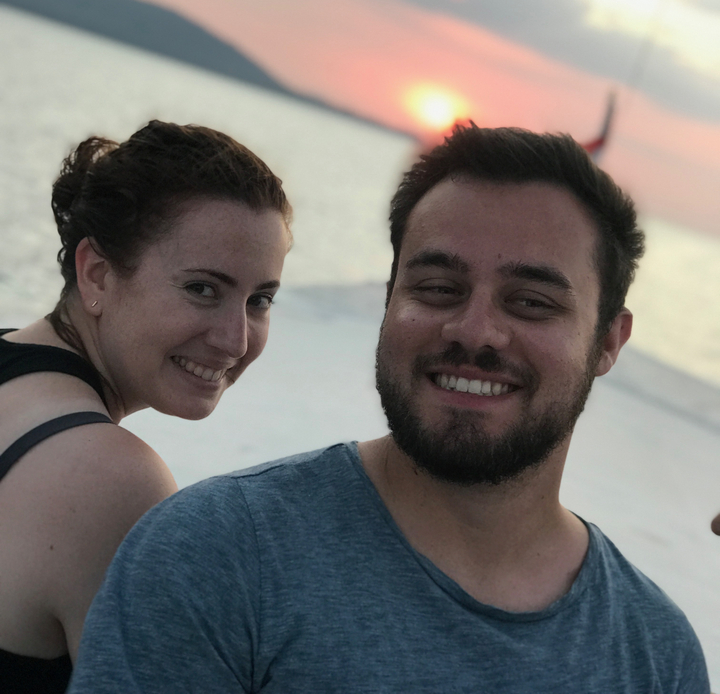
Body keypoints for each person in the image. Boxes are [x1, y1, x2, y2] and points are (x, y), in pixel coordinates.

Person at [68, 124, 710, 693]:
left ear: (607, 341)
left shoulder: (658, 654)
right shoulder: (215, 556)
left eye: (531, 302)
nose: (475, 330)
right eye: (438, 288)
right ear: (388, 297)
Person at [0, 119, 291, 693]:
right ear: (98, 273)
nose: (235, 340)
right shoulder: (114, 481)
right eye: (203, 288)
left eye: (259, 301)